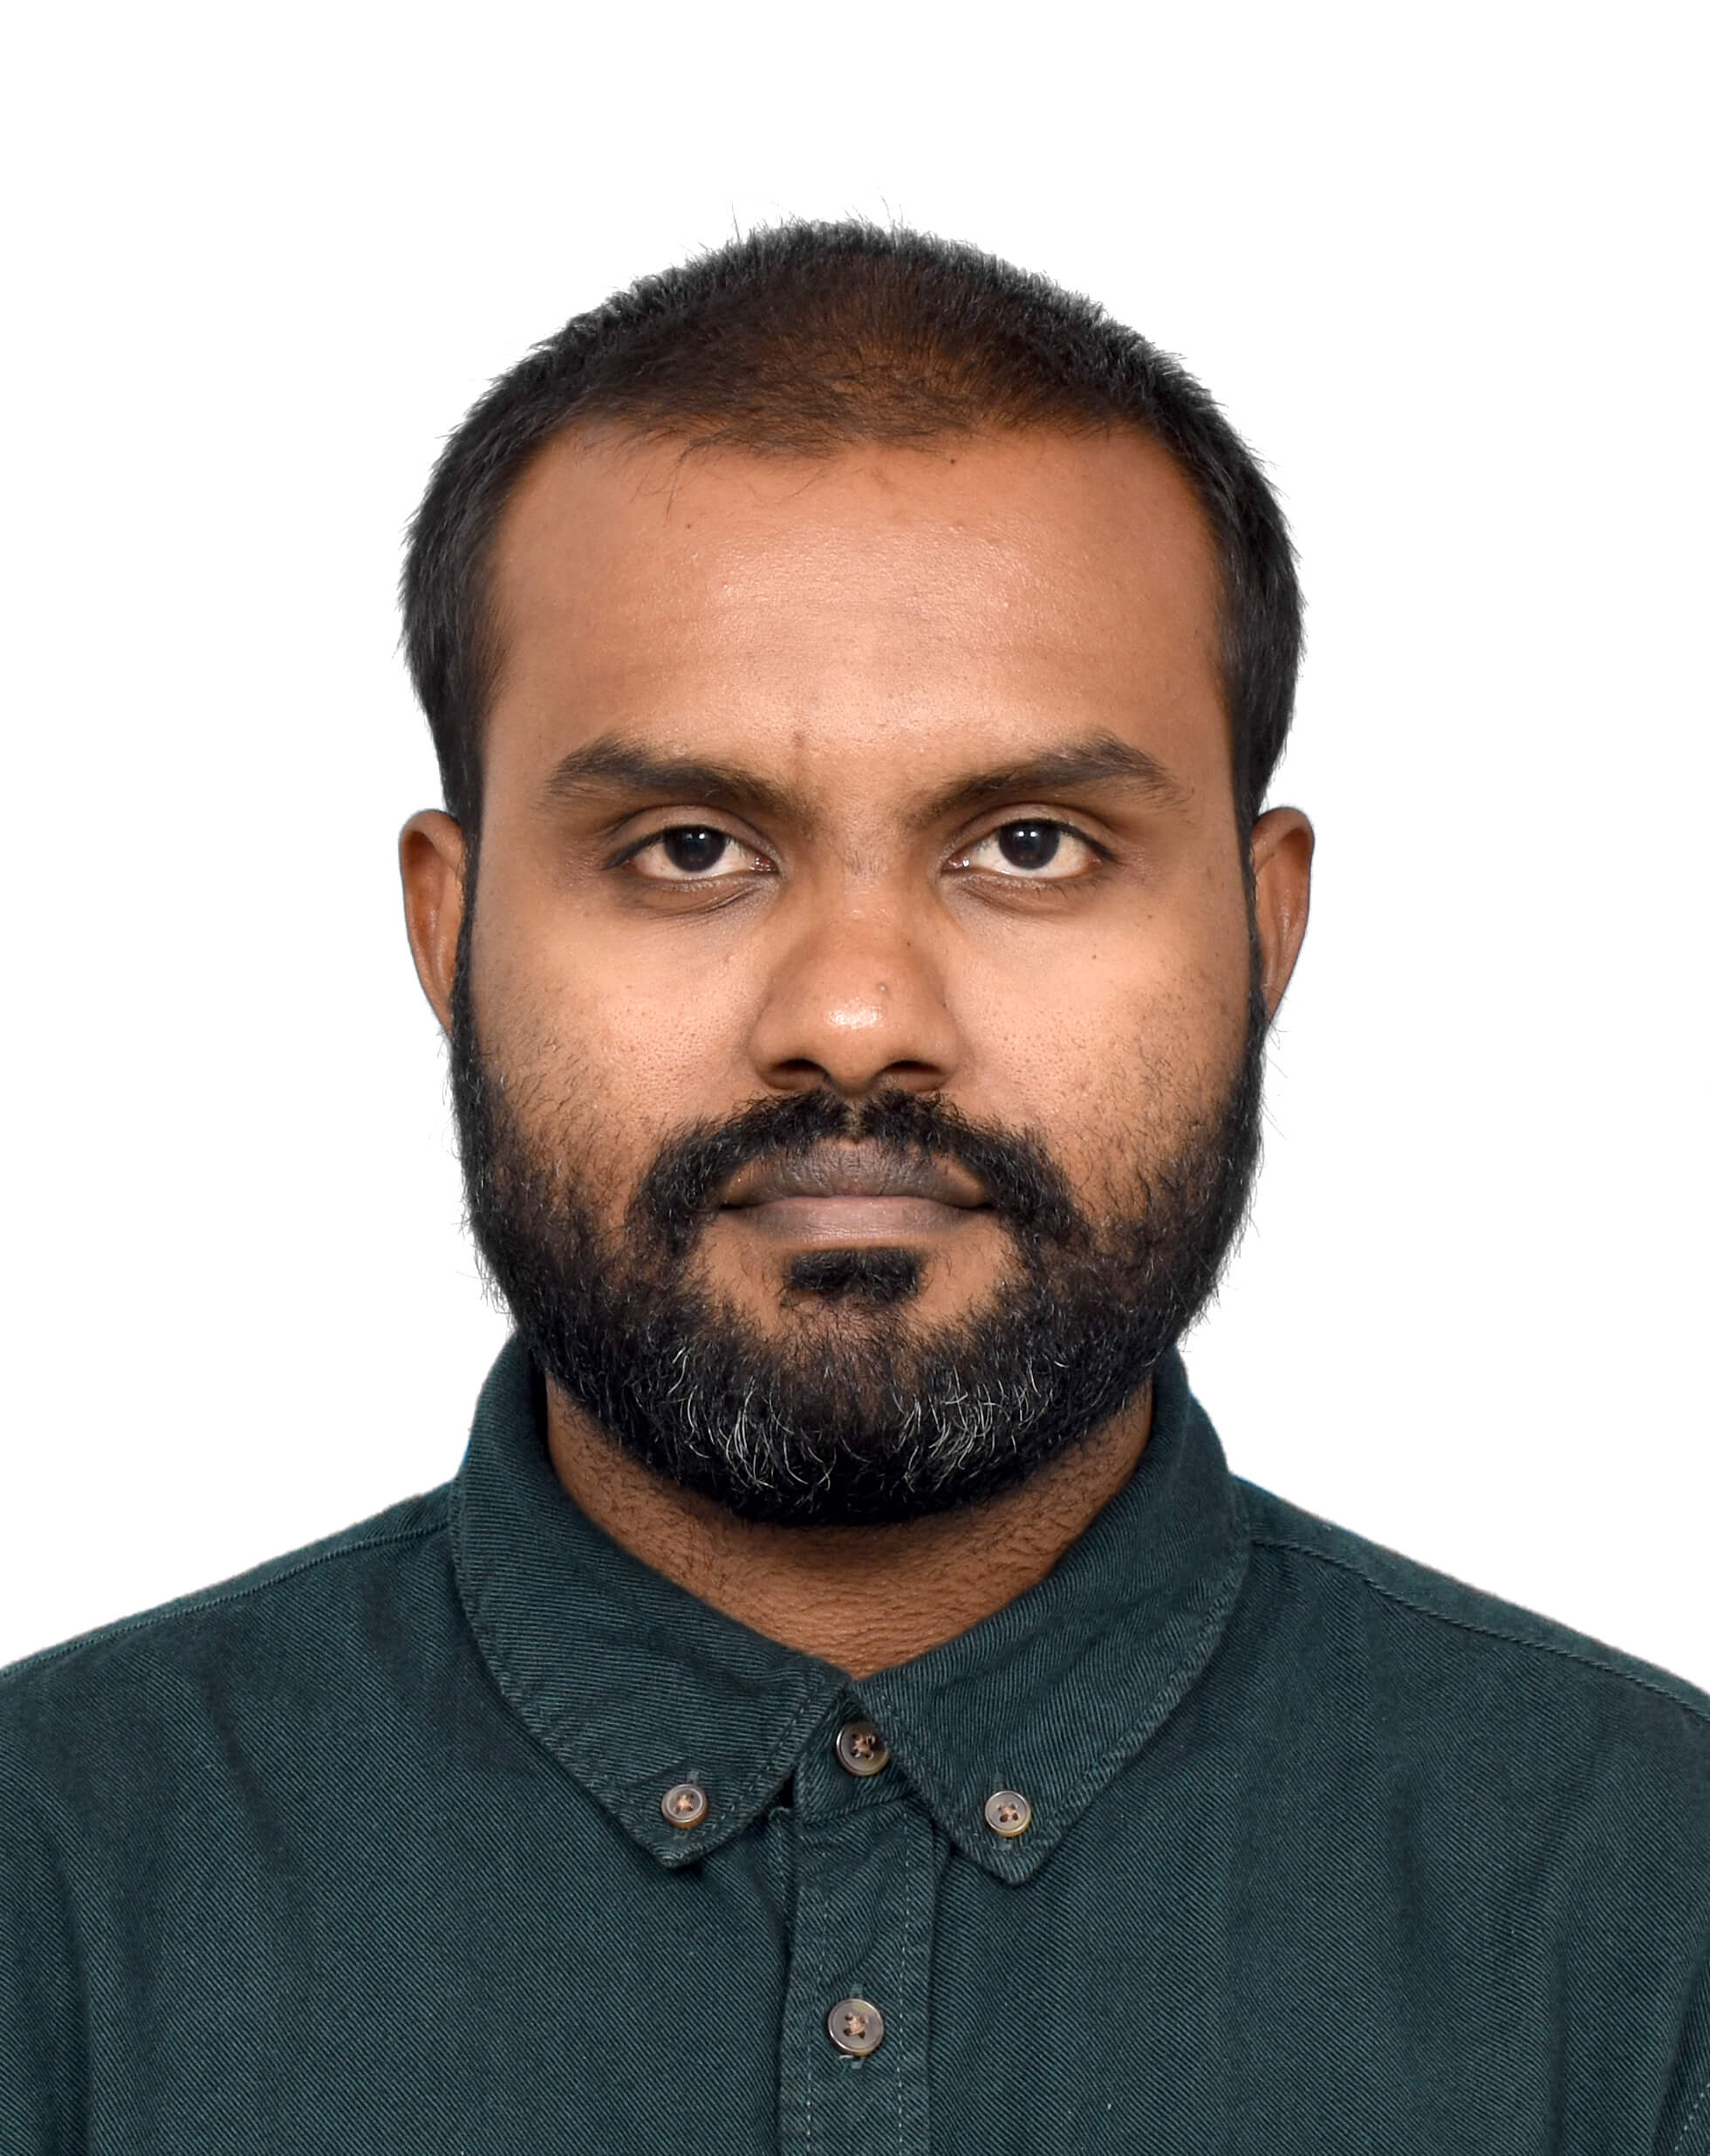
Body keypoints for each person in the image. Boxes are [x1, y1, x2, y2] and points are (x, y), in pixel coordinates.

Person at [2, 222, 1706, 2156]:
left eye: (1032, 844)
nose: (853, 1018)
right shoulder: (50, 1895)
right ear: (449, 933)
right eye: (688, 847)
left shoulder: (1656, 1919)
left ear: (1265, 929)